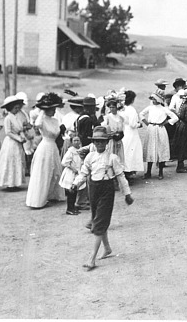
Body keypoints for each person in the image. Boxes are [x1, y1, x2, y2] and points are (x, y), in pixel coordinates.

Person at [70, 126, 134, 271]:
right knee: (98, 218)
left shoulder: (112, 158)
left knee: (99, 222)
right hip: (93, 189)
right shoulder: (90, 157)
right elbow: (83, 173)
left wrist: (127, 194)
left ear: (107, 143)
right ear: (93, 142)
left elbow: (121, 177)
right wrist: (75, 184)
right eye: (97, 141)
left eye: (102, 142)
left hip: (106, 190)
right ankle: (107, 248)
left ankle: (91, 259)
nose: (99, 144)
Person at [25, 93, 65, 209]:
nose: (53, 111)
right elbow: (37, 124)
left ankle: (53, 195)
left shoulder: (55, 120)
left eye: (54, 109)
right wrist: (42, 110)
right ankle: (38, 199)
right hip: (45, 146)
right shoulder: (41, 120)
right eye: (51, 109)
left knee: (55, 170)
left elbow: (57, 132)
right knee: (43, 171)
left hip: (53, 147)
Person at [140, 92, 179, 179]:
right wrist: (146, 123)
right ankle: (148, 172)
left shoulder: (164, 109)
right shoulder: (150, 108)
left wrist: (166, 122)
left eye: (155, 99)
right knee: (150, 149)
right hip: (151, 129)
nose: (153, 101)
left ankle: (160, 172)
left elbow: (175, 118)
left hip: (160, 129)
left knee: (160, 150)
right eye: (152, 99)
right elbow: (141, 114)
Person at [0, 95, 27, 189]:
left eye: (18, 108)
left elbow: (20, 129)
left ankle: (15, 182)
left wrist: (23, 136)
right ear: (10, 108)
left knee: (17, 161)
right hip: (11, 142)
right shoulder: (8, 118)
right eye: (15, 108)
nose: (17, 110)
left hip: (17, 143)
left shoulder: (17, 117)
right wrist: (18, 138)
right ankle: (9, 183)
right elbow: (8, 132)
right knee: (10, 162)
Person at [119, 91, 144, 178]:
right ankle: (128, 171)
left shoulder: (121, 109)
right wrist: (139, 124)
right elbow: (133, 124)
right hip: (131, 132)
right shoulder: (131, 109)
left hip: (123, 130)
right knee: (131, 151)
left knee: (125, 150)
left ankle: (124, 170)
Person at [60, 135, 85, 215]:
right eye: (75, 141)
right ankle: (69, 208)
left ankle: (73, 207)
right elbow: (64, 162)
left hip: (78, 173)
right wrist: (73, 168)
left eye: (78, 140)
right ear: (72, 142)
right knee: (71, 191)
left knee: (75, 191)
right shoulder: (71, 151)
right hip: (71, 173)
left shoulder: (80, 150)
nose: (77, 142)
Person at [173, 88, 187, 173]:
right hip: (185, 127)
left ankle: (181, 164)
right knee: (183, 145)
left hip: (182, 126)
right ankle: (180, 166)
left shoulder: (183, 105)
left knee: (182, 145)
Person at [103, 99, 125, 163]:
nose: (112, 109)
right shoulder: (107, 117)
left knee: (119, 155)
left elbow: (122, 129)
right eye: (110, 107)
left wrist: (120, 135)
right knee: (111, 154)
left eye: (113, 107)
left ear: (116, 107)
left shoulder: (121, 117)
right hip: (111, 139)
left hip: (118, 139)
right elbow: (105, 127)